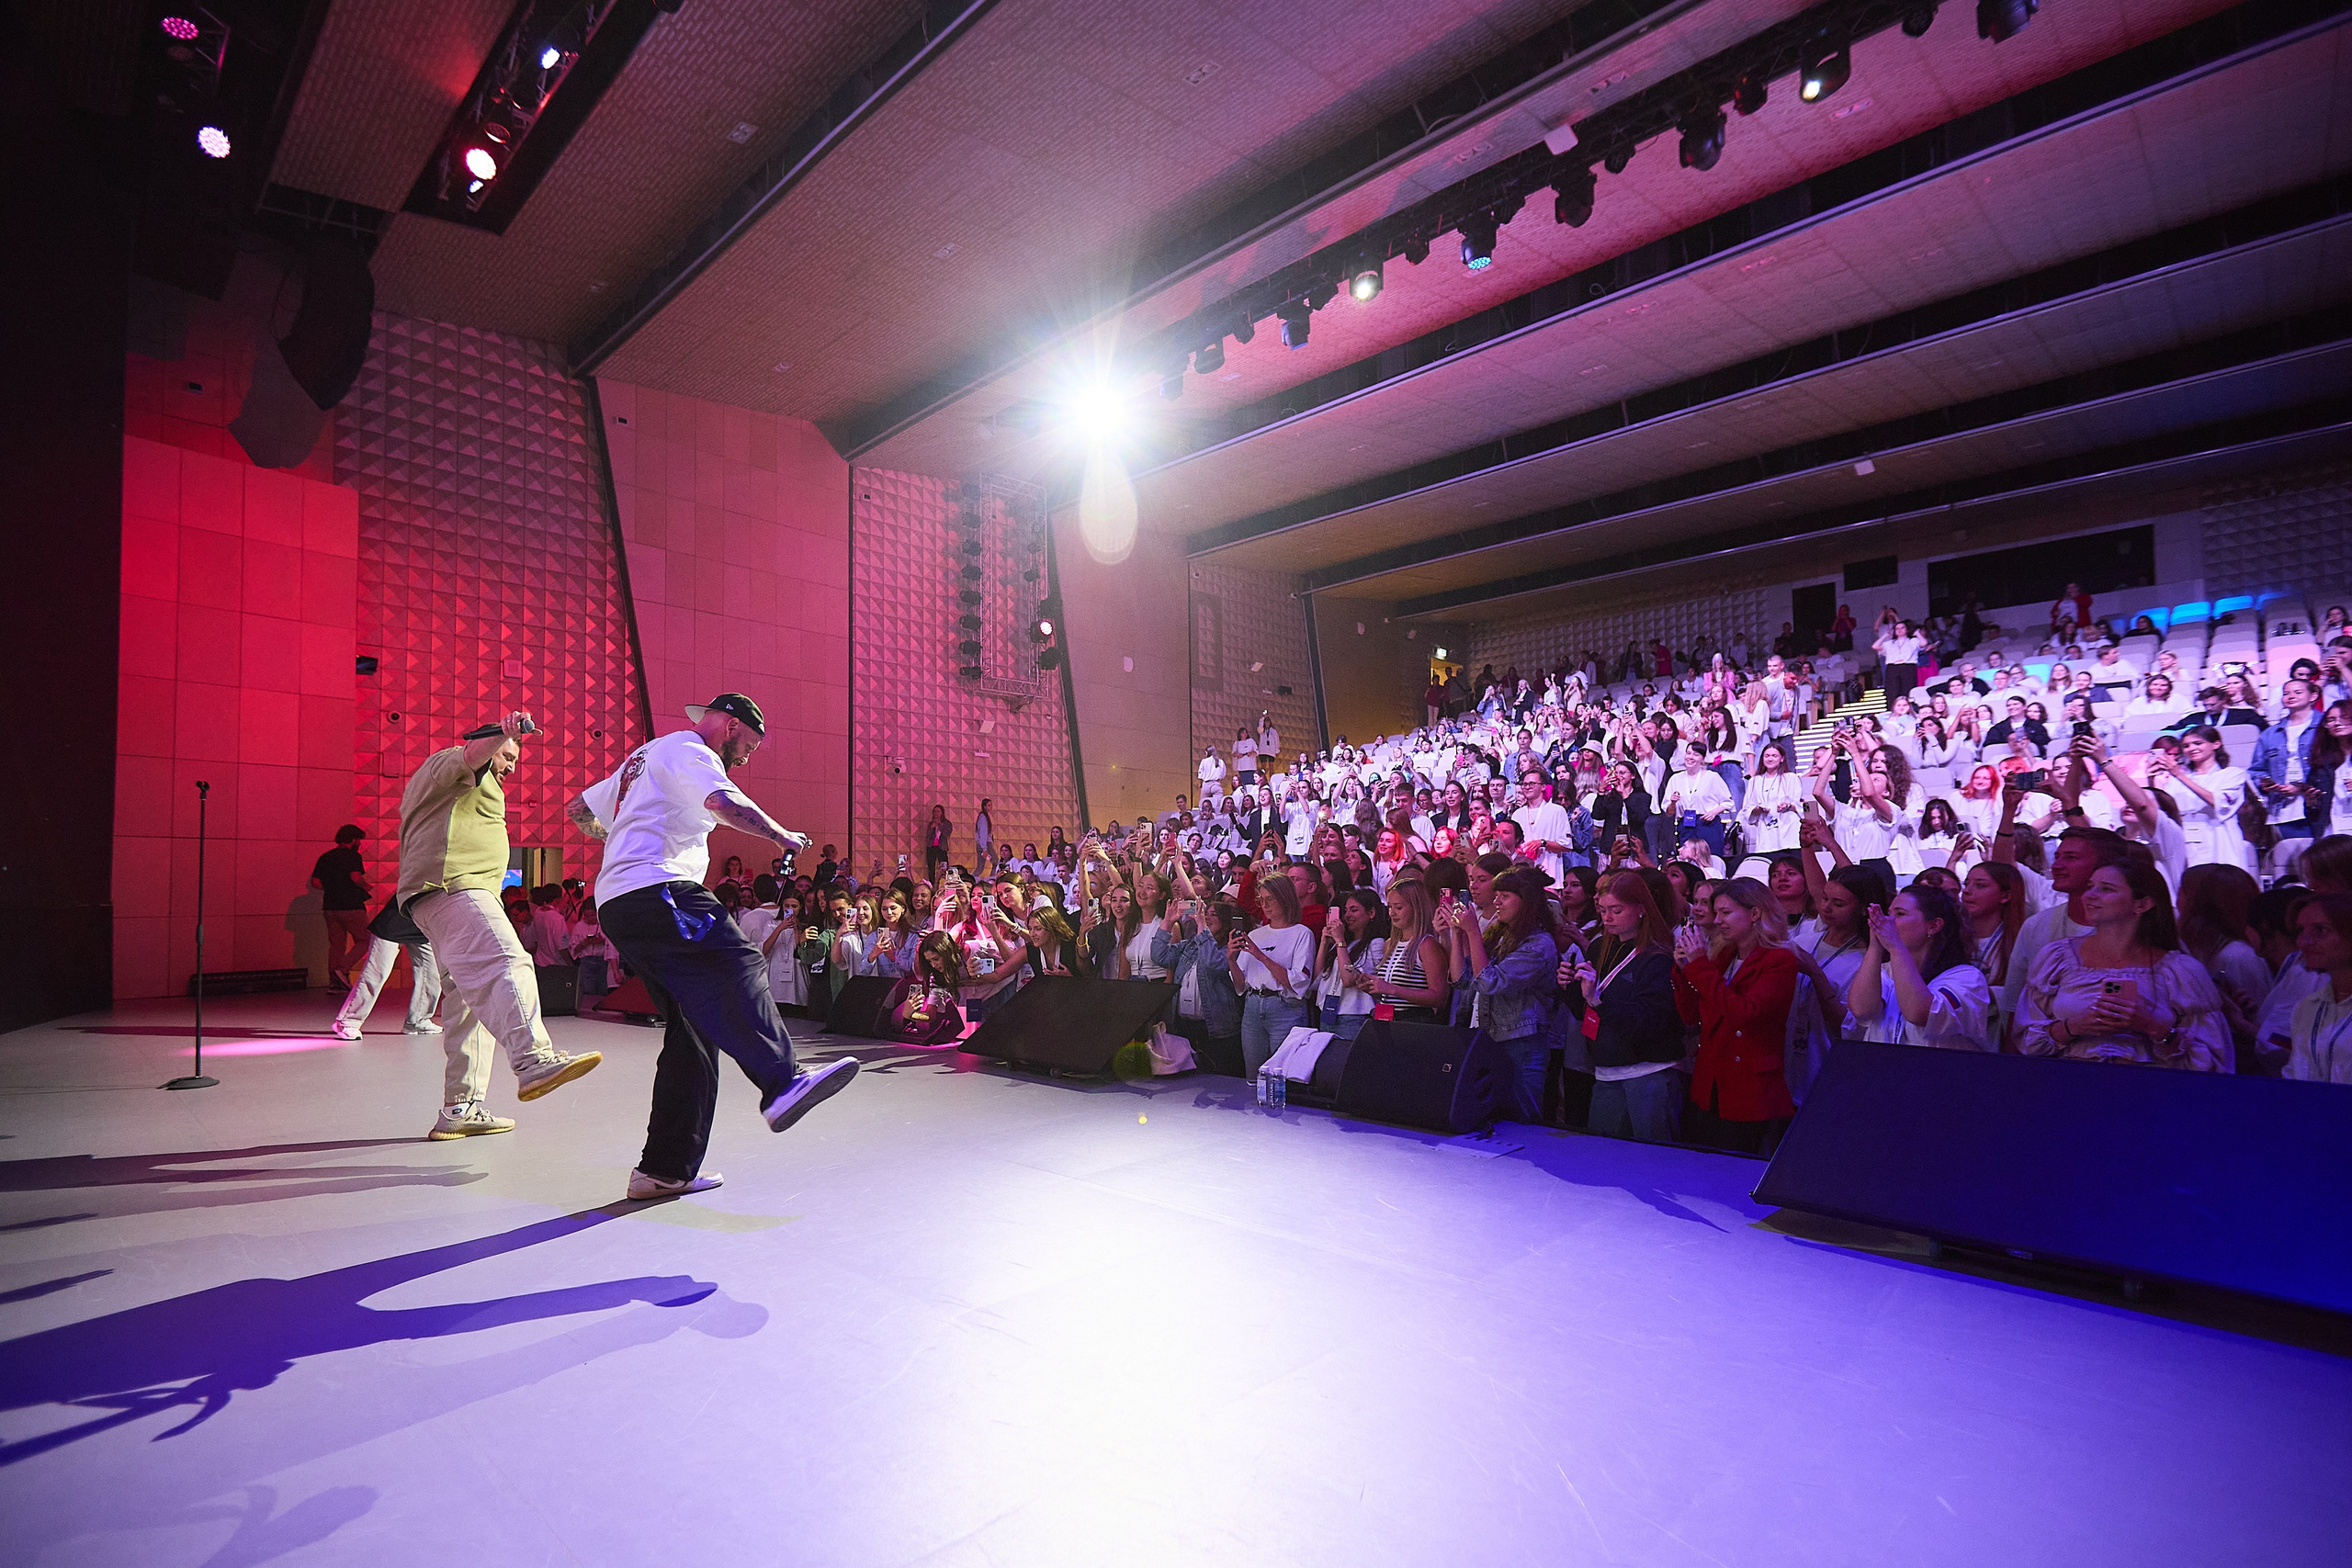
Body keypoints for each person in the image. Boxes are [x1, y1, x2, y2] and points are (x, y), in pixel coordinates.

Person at [571, 694, 858, 1201]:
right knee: (739, 959)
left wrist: (620, 840)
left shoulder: (644, 757)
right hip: (657, 888)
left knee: (694, 1032)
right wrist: (781, 836)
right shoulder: (690, 750)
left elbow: (579, 811)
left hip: (618, 900)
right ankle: (782, 1081)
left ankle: (663, 1169)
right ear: (729, 727)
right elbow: (723, 803)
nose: (746, 758)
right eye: (748, 746)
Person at [396, 712, 602, 1142]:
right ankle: (533, 1060)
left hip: (440, 897)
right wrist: (503, 733)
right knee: (508, 961)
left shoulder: (450, 784)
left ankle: (460, 1107)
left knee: (467, 1005)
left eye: (513, 758)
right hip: (456, 886)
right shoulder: (452, 763)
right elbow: (472, 753)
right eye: (507, 755)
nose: (510, 765)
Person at [2015, 860, 2230, 1070]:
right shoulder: (2056, 958)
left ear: (2142, 904)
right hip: (2071, 1084)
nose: (2090, 895)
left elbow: (2211, 1060)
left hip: (2150, 1092)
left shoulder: (2180, 971)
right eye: (2090, 887)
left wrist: (2152, 1026)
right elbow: (2026, 1039)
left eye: (2106, 889)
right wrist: (2075, 1026)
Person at [1675, 877, 1797, 1152]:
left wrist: (1700, 969)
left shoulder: (1779, 960)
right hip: (1712, 1080)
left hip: (1749, 1088)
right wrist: (1683, 972)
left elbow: (1745, 1013)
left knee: (1735, 1172)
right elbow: (1691, 1016)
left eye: (1726, 912)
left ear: (1755, 913)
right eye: (1716, 912)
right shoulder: (1724, 956)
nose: (1717, 920)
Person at [1566, 872, 1683, 1142]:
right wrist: (1569, 988)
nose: (1607, 918)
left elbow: (1649, 1021)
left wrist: (1597, 1000)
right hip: (1606, 1071)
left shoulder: (1657, 957)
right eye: (1603, 910)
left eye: (1616, 910)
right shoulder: (1600, 950)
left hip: (1648, 1072)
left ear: (1641, 908)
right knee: (1604, 1161)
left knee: (1653, 1160)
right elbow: (1583, 1013)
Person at [1443, 866, 1561, 1123]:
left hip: (1522, 1044)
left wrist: (1473, 931)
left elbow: (1490, 983)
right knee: (1490, 1119)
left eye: (1504, 895)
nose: (1496, 901)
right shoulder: (1500, 935)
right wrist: (1456, 932)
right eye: (1496, 895)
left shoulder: (1539, 944)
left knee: (1521, 1120)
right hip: (1487, 1037)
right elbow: (1462, 980)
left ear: (1526, 900)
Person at [1846, 885, 1994, 1050]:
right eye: (1889, 914)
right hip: (1884, 1071)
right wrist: (1875, 947)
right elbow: (1861, 1010)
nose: (1887, 921)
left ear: (1933, 926)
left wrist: (1895, 946)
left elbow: (1919, 1013)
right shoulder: (1885, 971)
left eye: (1900, 914)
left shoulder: (1967, 978)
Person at [1228, 871, 1315, 1077]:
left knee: (1281, 1074)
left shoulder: (1302, 933)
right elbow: (1240, 986)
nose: (1265, 905)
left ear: (1284, 899)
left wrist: (1261, 955)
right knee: (1253, 1073)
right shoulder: (1255, 934)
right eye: (1262, 900)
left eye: (1270, 899)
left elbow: (1298, 982)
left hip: (1284, 1008)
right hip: (1253, 1005)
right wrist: (1231, 958)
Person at [329, 897, 442, 1041]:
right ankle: (348, 1021)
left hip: (422, 929)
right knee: (376, 974)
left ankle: (418, 1021)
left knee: (431, 975)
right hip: (392, 925)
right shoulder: (421, 875)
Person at [2284, 893, 2352, 1083]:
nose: (2303, 942)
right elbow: (2294, 1075)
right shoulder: (2307, 1008)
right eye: (2300, 931)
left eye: (2320, 930)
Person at [1316, 887, 1391, 1043]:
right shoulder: (1342, 942)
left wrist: (1340, 942)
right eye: (1346, 910)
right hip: (1327, 1013)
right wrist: (1324, 942)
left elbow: (1349, 980)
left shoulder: (1376, 944)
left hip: (1353, 1016)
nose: (1347, 915)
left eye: (1354, 910)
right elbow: (1317, 976)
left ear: (1371, 913)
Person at [311, 824, 372, 987]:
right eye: (358, 839)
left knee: (336, 946)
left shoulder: (326, 857)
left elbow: (316, 882)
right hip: (351, 905)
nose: (359, 843)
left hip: (330, 906)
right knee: (366, 939)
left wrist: (333, 887)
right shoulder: (353, 857)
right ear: (352, 839)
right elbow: (356, 877)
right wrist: (366, 886)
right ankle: (343, 969)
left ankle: (335, 983)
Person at [923, 804, 952, 882]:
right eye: (935, 811)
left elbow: (947, 834)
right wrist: (932, 827)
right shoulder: (931, 824)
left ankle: (946, 882)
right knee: (931, 867)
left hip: (941, 847)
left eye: (938, 811)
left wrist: (940, 825)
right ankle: (932, 884)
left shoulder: (947, 823)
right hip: (931, 847)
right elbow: (927, 836)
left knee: (944, 866)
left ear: (942, 813)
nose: (936, 813)